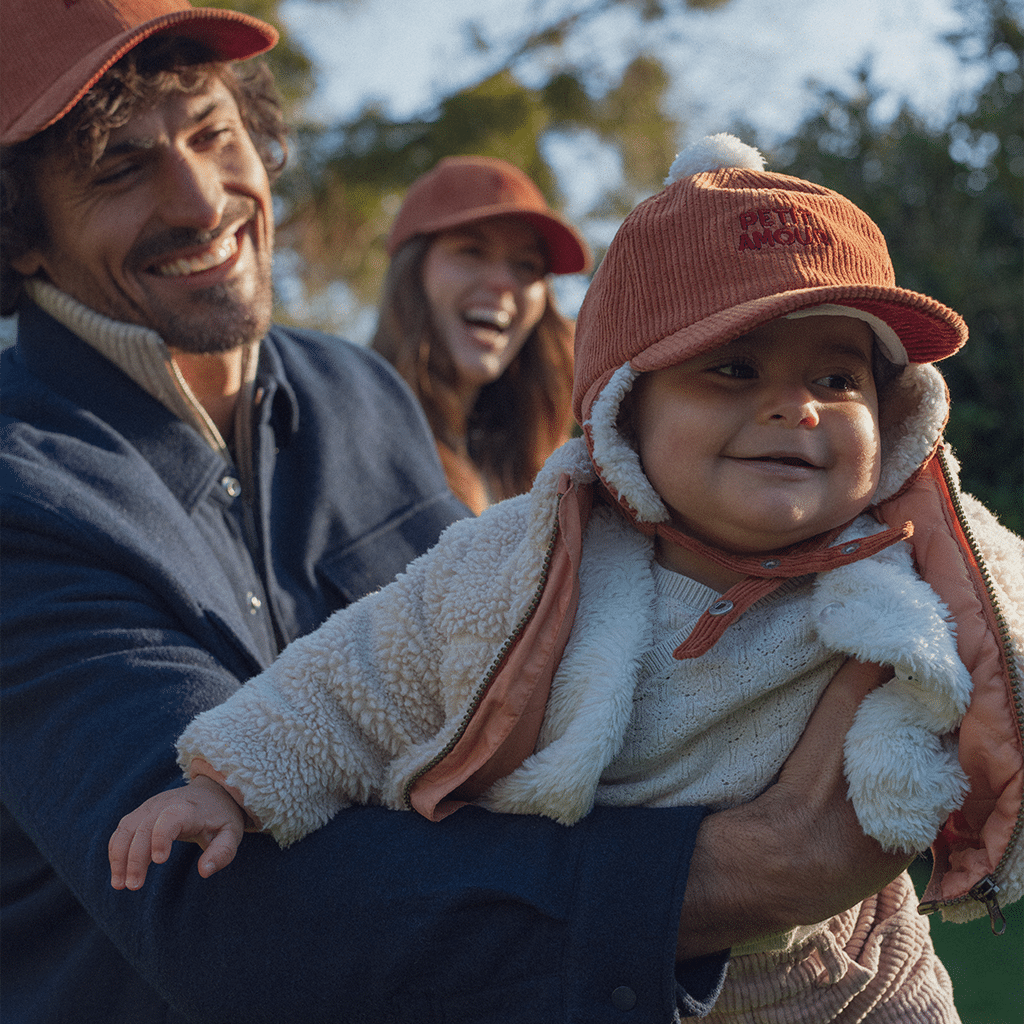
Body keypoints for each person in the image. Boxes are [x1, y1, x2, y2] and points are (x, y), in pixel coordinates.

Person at [0, 3, 931, 1021]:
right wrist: (739, 872)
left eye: (214, 132)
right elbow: (213, 905)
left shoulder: (358, 395)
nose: (199, 198)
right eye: (117, 168)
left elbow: (511, 660)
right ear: (23, 235)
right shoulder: (22, 495)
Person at [370, 155, 592, 513]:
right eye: (471, 251)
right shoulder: (347, 429)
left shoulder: (550, 472)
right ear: (410, 273)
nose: (504, 282)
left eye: (526, 265)